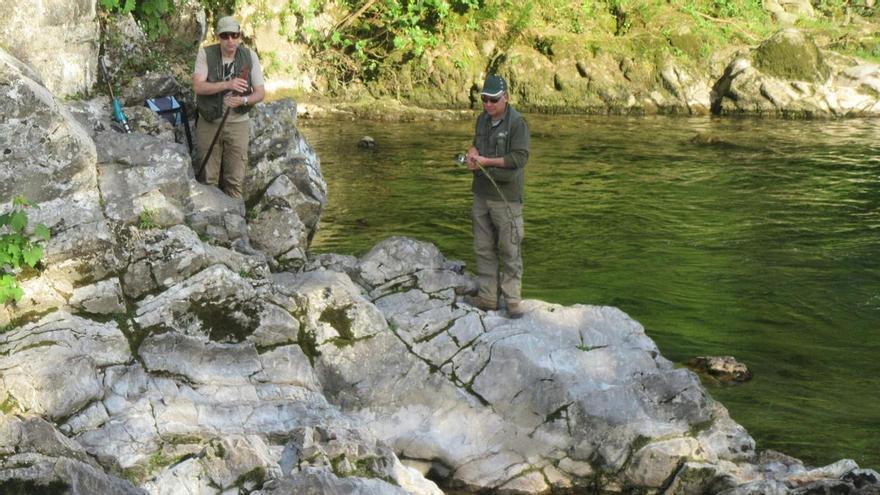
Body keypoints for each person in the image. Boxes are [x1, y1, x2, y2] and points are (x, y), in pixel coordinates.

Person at [463, 75, 530, 319]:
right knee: (483, 248)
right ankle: (488, 299)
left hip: (507, 199)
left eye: (493, 100)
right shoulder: (482, 120)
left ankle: (513, 303)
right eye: (484, 100)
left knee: (510, 251)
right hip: (481, 195)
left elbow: (520, 158)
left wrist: (487, 162)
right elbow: (475, 145)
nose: (488, 105)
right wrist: (472, 155)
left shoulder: (517, 123)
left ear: (506, 98)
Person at [192, 16, 265, 199]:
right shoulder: (205, 54)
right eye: (225, 36)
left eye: (234, 35)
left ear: (239, 36)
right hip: (209, 122)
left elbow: (260, 93)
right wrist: (228, 84)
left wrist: (244, 101)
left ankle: (235, 223)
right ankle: (209, 220)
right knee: (208, 179)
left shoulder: (249, 56)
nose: (230, 40)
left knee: (235, 180)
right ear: (218, 37)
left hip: (239, 123)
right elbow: (198, 86)